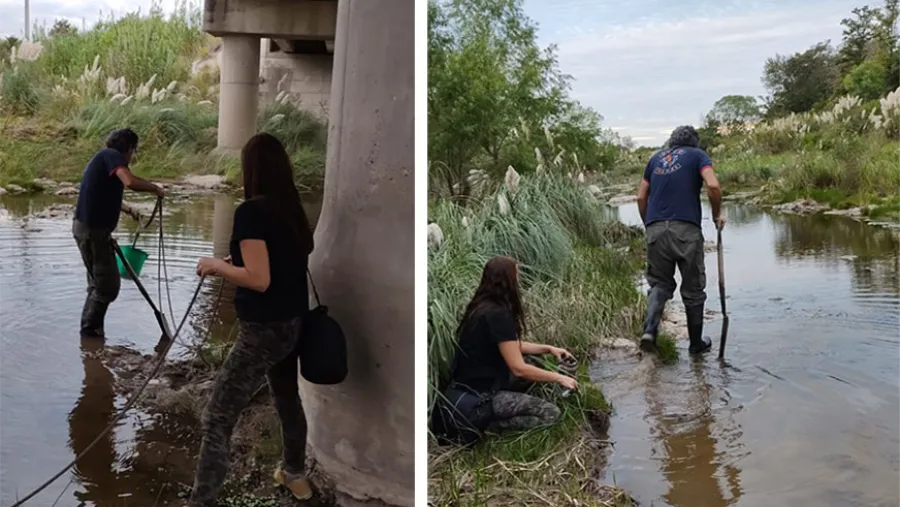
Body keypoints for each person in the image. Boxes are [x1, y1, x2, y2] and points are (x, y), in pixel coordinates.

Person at [190, 133, 315, 505]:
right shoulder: (292, 209)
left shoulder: (251, 212)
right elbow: (279, 262)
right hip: (294, 325)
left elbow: (260, 280)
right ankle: (295, 476)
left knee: (216, 417)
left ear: (250, 169)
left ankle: (203, 501)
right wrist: (237, 265)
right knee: (287, 399)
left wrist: (216, 265)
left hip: (262, 331)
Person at [432, 256, 578, 444]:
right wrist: (560, 377)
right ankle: (489, 427)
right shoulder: (498, 315)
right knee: (551, 414)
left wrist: (549, 349)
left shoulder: (480, 308)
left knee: (532, 362)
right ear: (507, 280)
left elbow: (510, 346)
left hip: (467, 384)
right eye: (516, 275)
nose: (519, 280)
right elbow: (518, 368)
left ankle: (493, 416)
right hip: (481, 398)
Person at [636, 125, 725, 355]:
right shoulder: (698, 156)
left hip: (655, 229)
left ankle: (650, 331)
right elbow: (713, 185)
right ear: (694, 142)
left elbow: (640, 195)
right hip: (686, 230)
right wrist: (717, 214)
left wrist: (650, 225)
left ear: (671, 142)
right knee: (693, 288)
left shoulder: (656, 158)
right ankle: (695, 345)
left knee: (660, 283)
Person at [73, 128, 165, 338]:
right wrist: (155, 188)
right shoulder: (112, 156)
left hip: (90, 230)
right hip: (92, 231)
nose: (132, 157)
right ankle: (90, 333)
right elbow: (130, 182)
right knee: (107, 287)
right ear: (130, 148)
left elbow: (100, 194)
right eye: (133, 152)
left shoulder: (102, 159)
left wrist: (128, 209)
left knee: (97, 284)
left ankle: (92, 335)